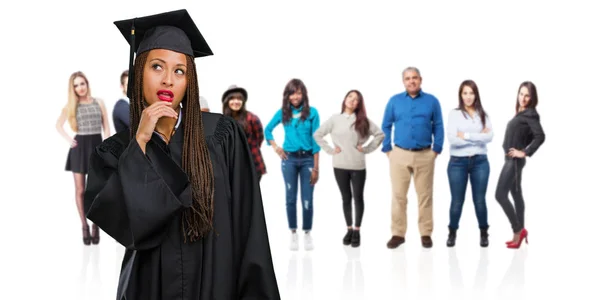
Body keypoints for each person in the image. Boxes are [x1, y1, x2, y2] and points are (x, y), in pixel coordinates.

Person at [83, 9, 280, 299]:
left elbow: (249, 229)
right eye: (157, 67)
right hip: (148, 288)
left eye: (179, 70)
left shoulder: (222, 135)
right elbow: (122, 224)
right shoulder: (116, 150)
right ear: (139, 73)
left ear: (189, 81)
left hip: (216, 284)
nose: (168, 80)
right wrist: (140, 140)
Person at [381, 66, 444, 249]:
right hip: (399, 154)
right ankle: (398, 234)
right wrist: (388, 150)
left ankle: (425, 233)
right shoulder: (394, 101)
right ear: (403, 81)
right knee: (398, 196)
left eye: (414, 77)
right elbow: (386, 125)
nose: (411, 81)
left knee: (425, 196)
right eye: (408, 78)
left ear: (421, 80)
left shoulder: (432, 101)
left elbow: (438, 126)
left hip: (425, 155)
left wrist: (436, 150)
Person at [313, 90, 384, 248]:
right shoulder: (334, 119)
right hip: (339, 165)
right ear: (345, 99)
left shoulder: (362, 120)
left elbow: (379, 135)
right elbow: (317, 135)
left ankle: (357, 230)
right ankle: (349, 229)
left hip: (358, 165)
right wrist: (330, 150)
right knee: (346, 198)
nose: (352, 101)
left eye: (356, 100)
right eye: (350, 97)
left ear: (359, 104)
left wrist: (365, 149)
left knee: (358, 198)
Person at [264, 78, 320, 251]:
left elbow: (316, 140)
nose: (295, 96)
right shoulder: (283, 112)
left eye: (298, 92)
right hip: (289, 159)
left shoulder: (312, 112)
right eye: (292, 93)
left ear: (303, 94)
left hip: (308, 160)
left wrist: (316, 168)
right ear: (287, 96)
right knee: (290, 197)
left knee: (307, 198)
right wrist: (276, 148)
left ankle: (307, 233)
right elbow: (268, 130)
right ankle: (293, 233)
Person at [56, 71, 110, 246]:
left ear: (87, 84)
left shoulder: (98, 102)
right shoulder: (71, 106)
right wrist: (68, 139)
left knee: (95, 189)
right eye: (76, 85)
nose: (80, 88)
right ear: (73, 89)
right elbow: (58, 125)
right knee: (80, 190)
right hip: (80, 149)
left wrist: (106, 148)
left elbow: (106, 127)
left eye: (82, 83)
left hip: (96, 146)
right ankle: (84, 226)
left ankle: (96, 225)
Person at [495, 81, 545, 249]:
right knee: (516, 194)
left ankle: (519, 230)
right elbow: (529, 135)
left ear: (532, 98)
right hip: (511, 160)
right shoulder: (521, 113)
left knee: (500, 195)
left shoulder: (530, 114)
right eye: (521, 94)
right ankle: (518, 235)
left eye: (527, 95)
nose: (523, 98)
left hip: (514, 161)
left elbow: (540, 136)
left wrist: (524, 151)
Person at [445, 80, 493, 248]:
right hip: (458, 162)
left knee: (479, 200)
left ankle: (484, 232)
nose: (468, 96)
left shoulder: (483, 114)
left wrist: (465, 135)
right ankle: (452, 232)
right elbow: (452, 139)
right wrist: (477, 136)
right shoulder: (454, 114)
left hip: (480, 162)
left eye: (471, 93)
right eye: (465, 93)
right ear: (460, 95)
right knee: (457, 201)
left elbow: (490, 137)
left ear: (476, 95)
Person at [221, 84, 267, 181]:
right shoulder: (222, 121)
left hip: (252, 164)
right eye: (232, 99)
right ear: (227, 101)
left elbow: (260, 138)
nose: (236, 102)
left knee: (251, 195)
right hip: (232, 165)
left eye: (239, 99)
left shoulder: (252, 118)